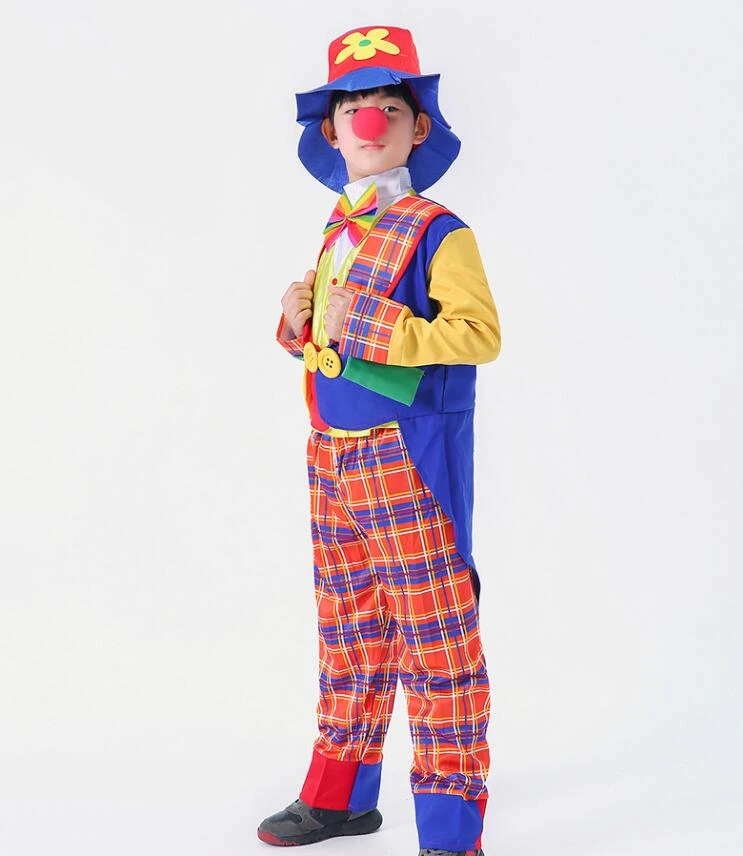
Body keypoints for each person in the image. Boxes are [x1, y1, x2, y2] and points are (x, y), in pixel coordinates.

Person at [258, 25, 501, 856]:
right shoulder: (338, 227)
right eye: (352, 108)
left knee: (436, 642)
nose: (369, 122)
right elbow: (338, 342)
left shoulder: (439, 229)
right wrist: (300, 327)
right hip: (330, 453)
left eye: (388, 108)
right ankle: (340, 798)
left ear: (417, 127)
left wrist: (370, 324)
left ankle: (449, 832)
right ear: (330, 131)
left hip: (407, 456)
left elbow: (477, 334)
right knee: (347, 630)